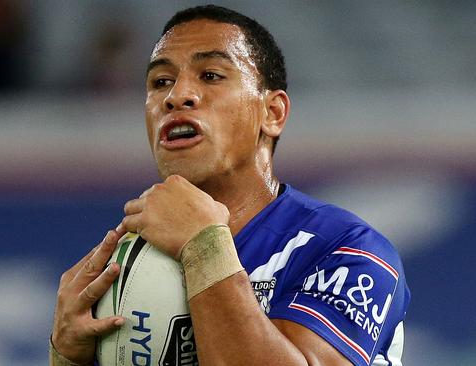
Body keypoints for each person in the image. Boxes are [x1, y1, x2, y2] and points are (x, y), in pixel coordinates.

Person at [50, 5, 410, 366]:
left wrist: (204, 247)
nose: (177, 96)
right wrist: (67, 358)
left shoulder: (349, 250)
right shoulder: (122, 268)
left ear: (273, 113)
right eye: (161, 82)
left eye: (210, 75)